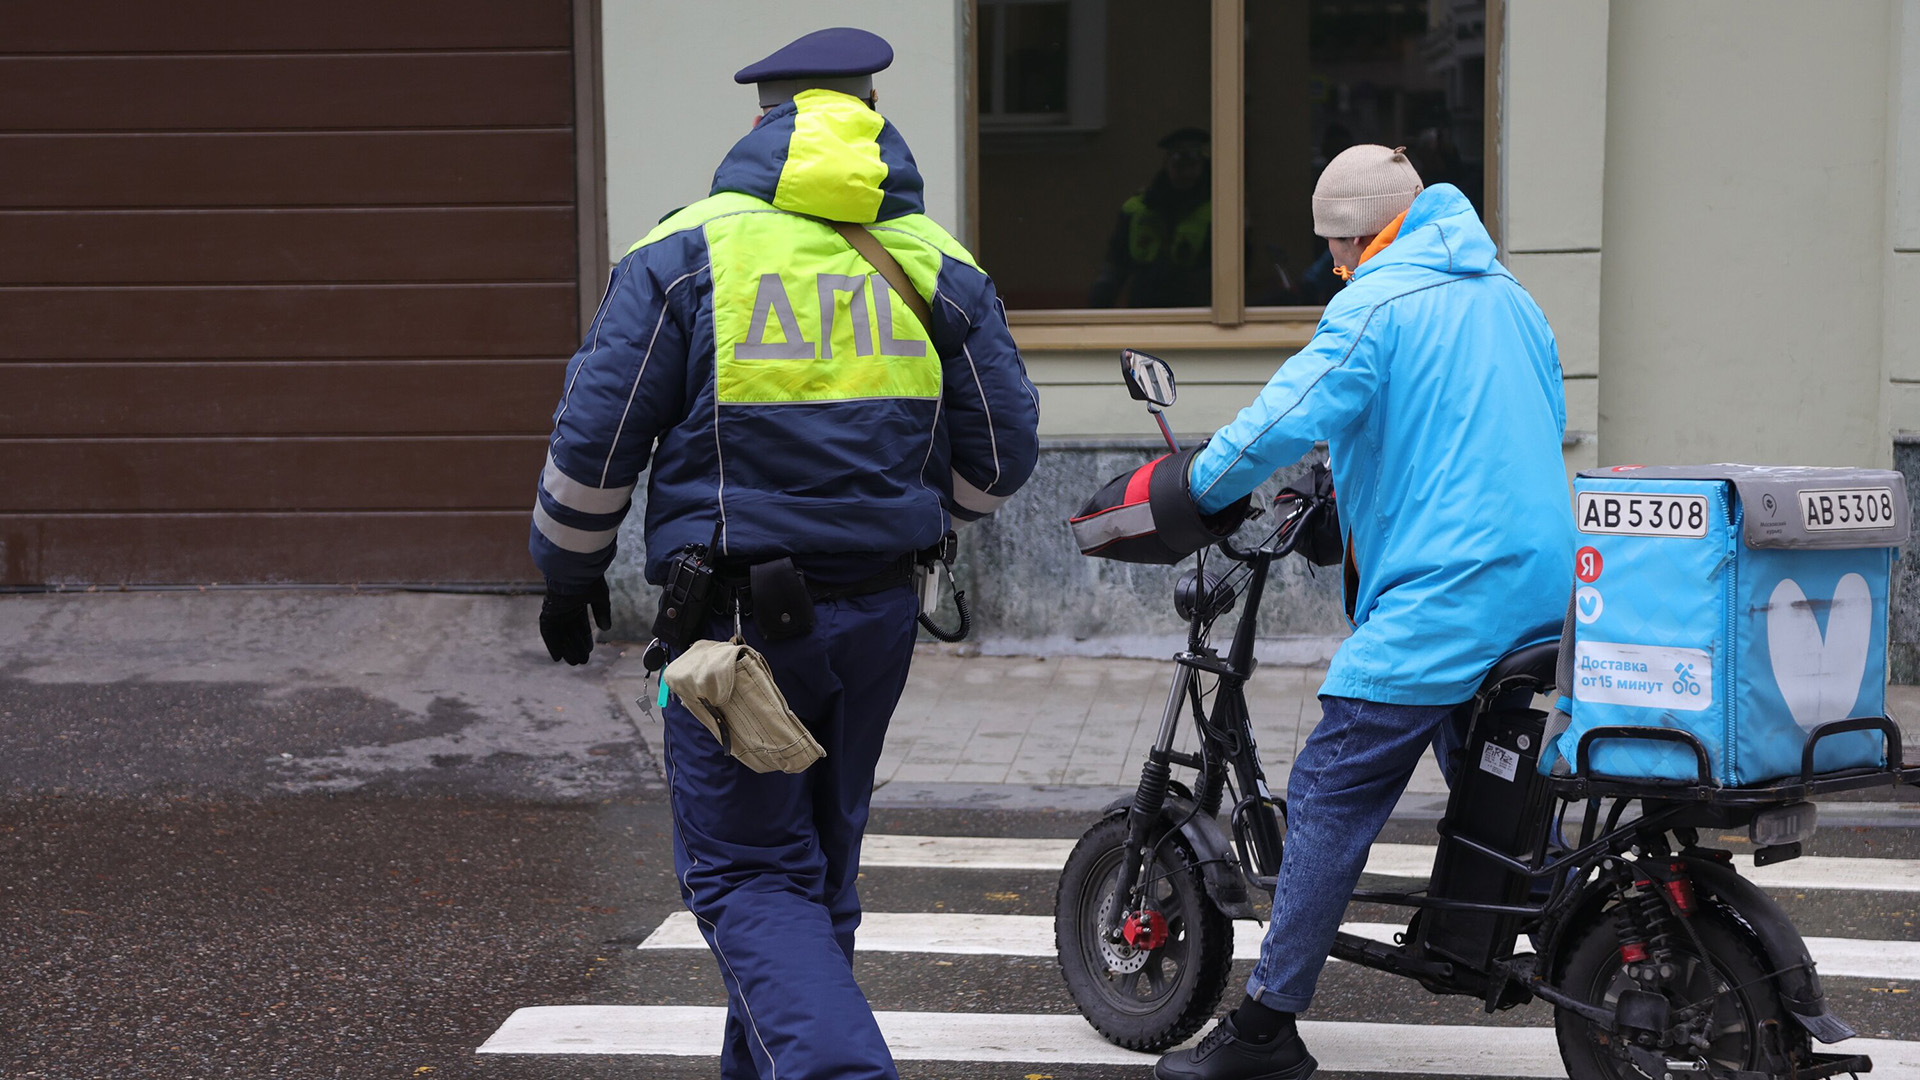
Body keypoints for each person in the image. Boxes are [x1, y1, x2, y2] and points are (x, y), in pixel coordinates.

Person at [528, 27, 1039, 1080]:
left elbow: (597, 439)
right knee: (815, 874)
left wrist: (570, 572)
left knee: (749, 876)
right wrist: (920, 513)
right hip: (877, 616)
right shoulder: (935, 260)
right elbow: (1002, 456)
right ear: (873, 121)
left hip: (734, 627)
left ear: (761, 123)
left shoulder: (685, 253)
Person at [1152, 146, 1574, 1080]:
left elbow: (1284, 417)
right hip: (1546, 586)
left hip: (1448, 593)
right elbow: (1507, 431)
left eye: (1335, 250)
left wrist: (1193, 489)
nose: (1334, 266)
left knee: (1330, 789)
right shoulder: (1512, 299)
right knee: (1500, 783)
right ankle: (1572, 939)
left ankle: (1266, 1027)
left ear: (1360, 235)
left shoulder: (1377, 304)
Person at [1089, 127, 1213, 308]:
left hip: (1196, 312)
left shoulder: (1217, 212)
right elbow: (1115, 264)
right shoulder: (1137, 209)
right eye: (1178, 164)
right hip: (1144, 310)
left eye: (1192, 164)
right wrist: (1100, 300)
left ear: (1203, 165)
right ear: (1166, 164)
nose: (1186, 173)